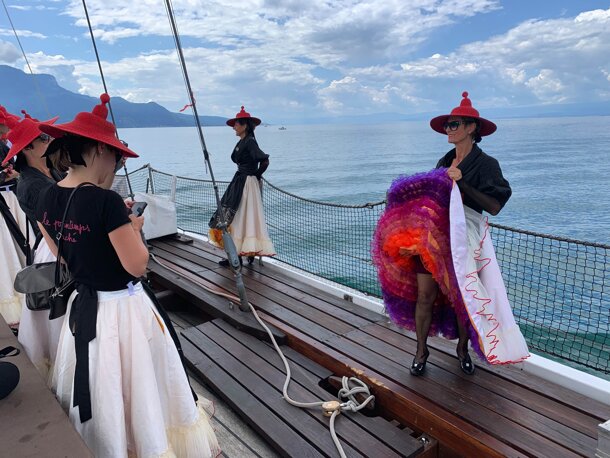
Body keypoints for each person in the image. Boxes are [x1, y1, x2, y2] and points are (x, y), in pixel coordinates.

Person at [36, 94, 220, 457]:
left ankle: (113, 442)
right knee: (141, 381)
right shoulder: (104, 202)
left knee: (103, 382)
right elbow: (137, 266)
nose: (117, 164)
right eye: (117, 156)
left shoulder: (47, 197)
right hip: (123, 309)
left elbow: (63, 255)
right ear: (99, 150)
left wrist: (110, 226)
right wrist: (133, 227)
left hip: (85, 309)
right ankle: (145, 441)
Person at [373, 92, 529, 377]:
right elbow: (431, 204)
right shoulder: (445, 160)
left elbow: (494, 207)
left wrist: (463, 183)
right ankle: (421, 352)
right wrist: (415, 238)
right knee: (425, 296)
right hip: (434, 238)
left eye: (454, 124)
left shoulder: (487, 164)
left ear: (471, 128)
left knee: (461, 299)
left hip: (463, 242)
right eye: (447, 125)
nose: (448, 129)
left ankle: (462, 351)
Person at [1, 110, 65, 378]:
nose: (50, 140)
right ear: (28, 148)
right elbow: (55, 221)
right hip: (55, 249)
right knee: (59, 314)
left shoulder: (50, 170)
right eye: (44, 138)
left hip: (61, 243)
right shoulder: (31, 184)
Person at [208, 106, 276, 266]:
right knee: (241, 216)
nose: (234, 127)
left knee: (239, 216)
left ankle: (240, 253)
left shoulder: (250, 142)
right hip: (241, 181)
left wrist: (255, 175)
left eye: (236, 124)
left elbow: (265, 161)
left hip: (246, 184)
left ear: (244, 125)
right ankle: (240, 252)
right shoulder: (244, 141)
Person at [0, 106, 29, 330]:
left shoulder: (5, 144)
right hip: (5, 200)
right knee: (8, 251)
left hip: (11, 198)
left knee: (13, 249)